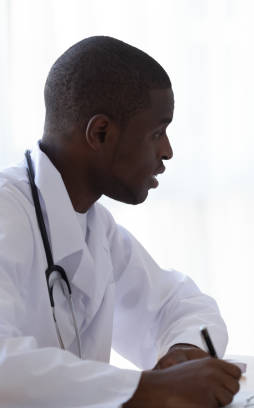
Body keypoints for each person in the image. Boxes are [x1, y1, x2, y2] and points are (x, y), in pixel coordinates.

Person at [0, 36, 241, 407]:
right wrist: (152, 389)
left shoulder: (94, 226)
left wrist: (183, 351)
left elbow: (181, 302)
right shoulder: (8, 214)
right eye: (157, 132)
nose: (167, 151)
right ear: (100, 133)